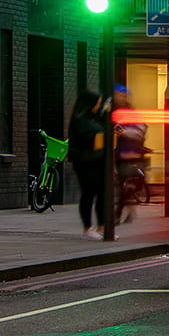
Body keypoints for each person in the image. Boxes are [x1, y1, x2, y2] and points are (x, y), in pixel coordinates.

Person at [69, 90, 110, 239]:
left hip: (99, 160)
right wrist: (100, 137)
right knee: (88, 194)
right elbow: (85, 138)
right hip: (86, 162)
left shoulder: (95, 118)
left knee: (102, 194)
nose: (98, 105)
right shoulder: (80, 119)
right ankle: (87, 228)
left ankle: (102, 226)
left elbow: (104, 130)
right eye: (97, 103)